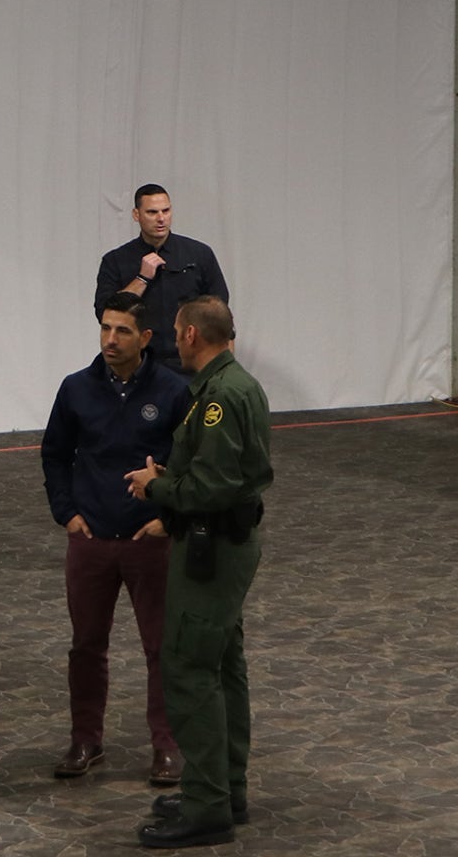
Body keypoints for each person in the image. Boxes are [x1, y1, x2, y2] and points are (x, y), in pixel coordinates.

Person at [124, 296, 270, 849]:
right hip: (225, 541)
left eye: (175, 332)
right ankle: (224, 788)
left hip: (212, 546)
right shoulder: (228, 387)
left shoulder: (219, 397)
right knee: (223, 664)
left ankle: (208, 804)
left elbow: (212, 487)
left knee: (188, 667)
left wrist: (154, 487)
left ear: (188, 335)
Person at [41, 292, 191, 788]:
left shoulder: (172, 391)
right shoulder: (76, 389)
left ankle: (167, 746)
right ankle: (86, 739)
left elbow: (191, 463)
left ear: (145, 338)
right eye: (106, 328)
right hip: (92, 541)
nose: (110, 339)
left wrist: (169, 519)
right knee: (85, 646)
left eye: (122, 330)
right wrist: (67, 514)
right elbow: (55, 455)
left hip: (150, 540)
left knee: (161, 648)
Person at [95, 185, 228, 374]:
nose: (161, 218)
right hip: (139, 365)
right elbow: (104, 313)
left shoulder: (199, 254)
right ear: (136, 214)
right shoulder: (115, 261)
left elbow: (220, 310)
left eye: (166, 211)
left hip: (190, 364)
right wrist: (142, 278)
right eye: (152, 212)